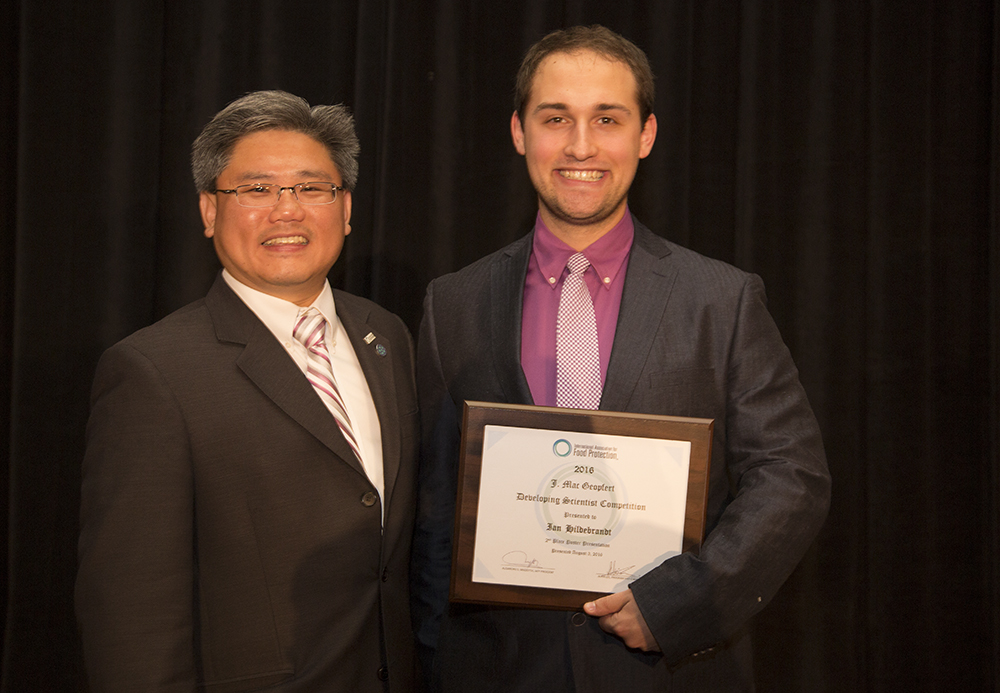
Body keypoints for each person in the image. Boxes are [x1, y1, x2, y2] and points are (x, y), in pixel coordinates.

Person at [411, 26, 831, 692]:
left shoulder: (720, 299)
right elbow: (436, 513)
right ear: (519, 132)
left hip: (669, 670)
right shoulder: (452, 303)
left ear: (646, 134)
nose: (581, 146)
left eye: (607, 118)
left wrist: (677, 605)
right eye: (556, 119)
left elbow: (792, 474)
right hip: (501, 671)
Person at [76, 90, 418, 692]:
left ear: (345, 209)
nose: (287, 211)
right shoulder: (152, 373)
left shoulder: (384, 334)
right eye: (257, 190)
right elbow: (132, 621)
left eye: (313, 188)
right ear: (209, 211)